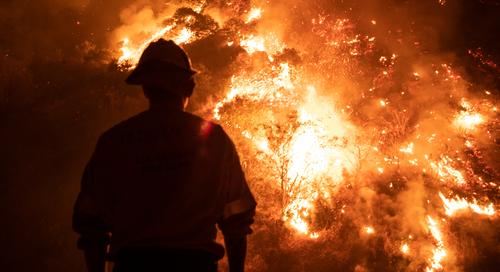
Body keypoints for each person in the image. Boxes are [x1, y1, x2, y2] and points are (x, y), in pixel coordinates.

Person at [72, 39, 256, 272]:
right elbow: (237, 219)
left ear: (145, 88)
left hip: (134, 266)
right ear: (188, 87)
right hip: (195, 266)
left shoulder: (114, 141)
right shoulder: (214, 139)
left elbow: (91, 223)